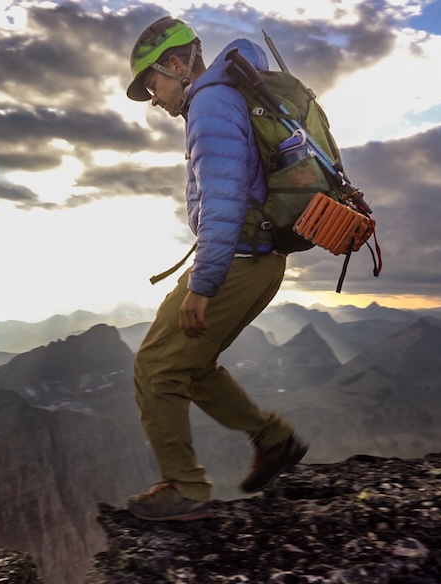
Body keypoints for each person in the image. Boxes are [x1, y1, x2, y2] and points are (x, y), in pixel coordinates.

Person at [124, 16, 308, 521]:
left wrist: (201, 287)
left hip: (236, 260)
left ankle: (185, 490)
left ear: (179, 64)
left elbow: (224, 199)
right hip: (263, 262)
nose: (154, 98)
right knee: (195, 365)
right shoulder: (227, 97)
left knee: (156, 367)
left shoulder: (208, 103)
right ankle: (275, 440)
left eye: (153, 83)